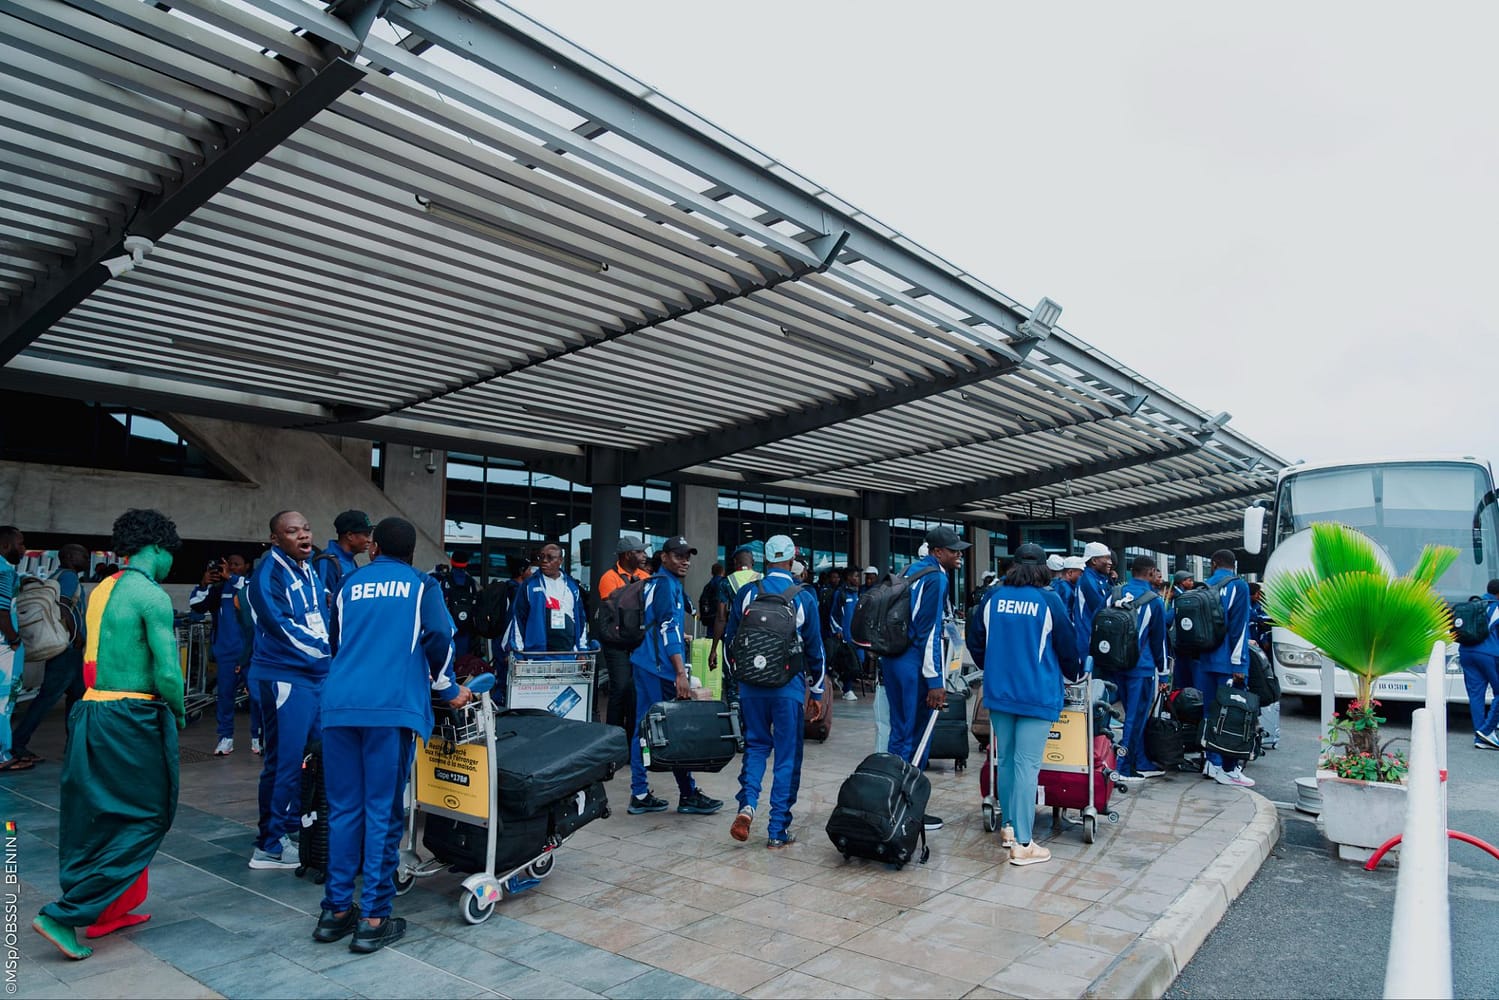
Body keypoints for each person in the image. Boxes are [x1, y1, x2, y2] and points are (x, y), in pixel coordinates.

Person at [314, 516, 471, 954]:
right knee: (382, 812)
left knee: (344, 811)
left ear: (375, 547)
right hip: (390, 707)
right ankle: (374, 918)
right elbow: (439, 636)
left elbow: (336, 639)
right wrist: (447, 687)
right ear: (412, 551)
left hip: (341, 704)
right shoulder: (423, 585)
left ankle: (335, 912)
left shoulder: (349, 584)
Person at [32, 509, 184, 960]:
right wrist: (175, 714)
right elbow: (169, 673)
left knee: (95, 817)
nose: (172, 561)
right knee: (146, 817)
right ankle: (65, 914)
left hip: (91, 710)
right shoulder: (150, 595)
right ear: (156, 548)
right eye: (170, 553)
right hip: (131, 716)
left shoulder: (104, 588)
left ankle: (105, 913)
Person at [966, 543, 1081, 866]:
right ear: (1044, 568)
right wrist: (1073, 674)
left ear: (1011, 566)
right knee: (1027, 765)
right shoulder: (1049, 600)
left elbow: (975, 641)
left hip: (999, 692)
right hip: (1037, 693)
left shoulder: (993, 598)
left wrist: (994, 668)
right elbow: (1068, 648)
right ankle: (1025, 843)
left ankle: (1008, 827)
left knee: (1005, 759)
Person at [724, 535, 826, 848]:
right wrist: (818, 693)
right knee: (786, 756)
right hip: (788, 689)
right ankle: (777, 830)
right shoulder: (804, 596)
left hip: (751, 687)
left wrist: (741, 678)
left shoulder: (747, 592)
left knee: (755, 746)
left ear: (765, 558)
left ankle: (747, 806)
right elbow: (816, 650)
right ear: (792, 557)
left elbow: (731, 645)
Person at [247, 510, 331, 870]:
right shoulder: (267, 574)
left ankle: (294, 830)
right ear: (276, 538)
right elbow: (283, 629)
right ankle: (269, 846)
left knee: (310, 758)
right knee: (285, 760)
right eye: (292, 531)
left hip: (314, 676)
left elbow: (319, 619)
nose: (303, 535)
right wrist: (331, 653)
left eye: (306, 528)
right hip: (283, 676)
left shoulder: (309, 569)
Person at [626, 536, 722, 817]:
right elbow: (668, 629)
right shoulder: (666, 585)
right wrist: (681, 672)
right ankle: (646, 793)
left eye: (687, 556)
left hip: (650, 666)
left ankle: (677, 791)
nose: (685, 561)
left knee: (657, 728)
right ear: (664, 557)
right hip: (658, 670)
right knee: (654, 729)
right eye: (678, 556)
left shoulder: (663, 584)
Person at [884, 527, 965, 833]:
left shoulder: (910, 570)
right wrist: (935, 681)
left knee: (900, 733)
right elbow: (928, 633)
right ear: (936, 552)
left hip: (894, 658)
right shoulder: (937, 577)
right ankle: (906, 808)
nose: (959, 554)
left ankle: (891, 799)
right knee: (916, 737)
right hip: (914, 663)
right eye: (953, 550)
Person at [8, 544, 91, 766]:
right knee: (47, 699)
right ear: (71, 557)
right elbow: (63, 607)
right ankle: (17, 743)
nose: (87, 558)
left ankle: (74, 744)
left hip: (66, 650)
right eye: (83, 555)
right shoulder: (69, 577)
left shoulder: (56, 575)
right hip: (67, 649)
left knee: (77, 697)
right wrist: (75, 634)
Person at [1194, 549, 1255, 787]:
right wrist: (1239, 664)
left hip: (1206, 660)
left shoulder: (1203, 586)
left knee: (1210, 712)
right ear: (1233, 565)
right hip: (1228, 662)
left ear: (1213, 563)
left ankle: (1211, 762)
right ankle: (1227, 768)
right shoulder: (1238, 586)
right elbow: (1239, 628)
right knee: (1232, 715)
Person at [190, 553, 258, 757]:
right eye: (228, 566)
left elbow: (254, 588)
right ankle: (225, 738)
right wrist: (203, 584)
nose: (230, 569)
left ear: (246, 566)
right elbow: (197, 606)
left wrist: (232, 578)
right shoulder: (218, 589)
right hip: (226, 653)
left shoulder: (250, 585)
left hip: (251, 653)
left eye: (236, 565)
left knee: (257, 698)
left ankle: (258, 737)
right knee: (225, 697)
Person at [1107, 554, 1168, 782]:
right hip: (1140, 668)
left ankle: (1140, 760)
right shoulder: (1154, 600)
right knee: (1135, 717)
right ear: (1151, 573)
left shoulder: (1114, 593)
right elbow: (1159, 641)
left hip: (1115, 664)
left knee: (1132, 717)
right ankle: (1123, 766)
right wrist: (1163, 673)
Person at [598, 536, 651, 739]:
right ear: (628, 555)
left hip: (637, 640)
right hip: (616, 642)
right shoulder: (609, 578)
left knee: (635, 691)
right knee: (619, 689)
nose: (644, 555)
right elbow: (621, 603)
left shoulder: (643, 576)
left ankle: (631, 740)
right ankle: (613, 740)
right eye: (640, 552)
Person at [504, 541, 588, 655]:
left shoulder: (572, 586)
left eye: (550, 557)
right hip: (537, 655)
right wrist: (519, 651)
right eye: (542, 556)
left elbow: (580, 619)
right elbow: (518, 619)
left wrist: (581, 650)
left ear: (560, 561)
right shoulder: (530, 585)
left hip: (567, 654)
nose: (544, 561)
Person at [1461, 579, 1499, 749]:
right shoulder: (1496, 607)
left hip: (1466, 652)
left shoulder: (1475, 603)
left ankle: (1481, 737)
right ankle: (1487, 730)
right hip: (1488, 654)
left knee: (1476, 695)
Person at [0, 526, 25, 770]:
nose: (23, 549)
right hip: (4, 648)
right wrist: (14, 639)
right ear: (6, 546)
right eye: (20, 544)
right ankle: (3, 755)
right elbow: (1, 611)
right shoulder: (4, 571)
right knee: (4, 702)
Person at [313, 510, 372, 608]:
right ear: (350, 536)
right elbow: (323, 603)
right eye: (366, 534)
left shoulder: (350, 561)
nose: (369, 540)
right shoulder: (327, 562)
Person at [436, 549, 482, 658]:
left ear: (452, 561)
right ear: (466, 563)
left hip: (449, 626)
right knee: (463, 661)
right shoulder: (470, 582)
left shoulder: (445, 580)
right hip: (466, 627)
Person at [828, 567, 861, 700]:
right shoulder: (841, 593)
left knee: (858, 661)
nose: (858, 579)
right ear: (848, 578)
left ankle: (839, 678)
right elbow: (833, 614)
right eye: (856, 576)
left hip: (855, 635)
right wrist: (837, 630)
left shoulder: (856, 593)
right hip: (845, 635)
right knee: (849, 664)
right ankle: (847, 689)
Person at [1075, 542, 1114, 654]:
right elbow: (1104, 609)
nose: (1110, 562)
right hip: (1087, 638)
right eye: (1106, 558)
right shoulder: (1088, 580)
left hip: (1095, 636)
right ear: (1094, 561)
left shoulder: (1099, 578)